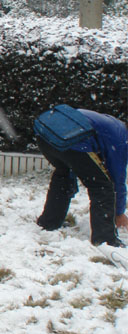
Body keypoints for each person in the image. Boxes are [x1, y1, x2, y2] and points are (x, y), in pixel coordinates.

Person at [34, 106, 127, 248]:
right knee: (102, 186)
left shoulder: (112, 124)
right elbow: (117, 180)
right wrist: (119, 213)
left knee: (64, 174)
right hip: (70, 139)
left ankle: (49, 222)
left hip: (45, 133)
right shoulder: (121, 141)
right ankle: (105, 239)